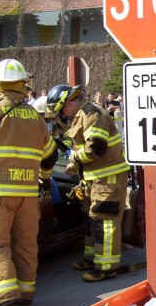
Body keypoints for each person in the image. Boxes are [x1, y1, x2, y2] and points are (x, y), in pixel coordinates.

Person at [46, 84, 130, 282]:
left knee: (104, 222)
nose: (61, 116)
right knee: (89, 218)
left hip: (108, 178)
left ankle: (106, 267)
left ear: (69, 103)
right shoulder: (81, 115)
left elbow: (96, 148)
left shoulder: (92, 114)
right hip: (94, 178)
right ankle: (92, 259)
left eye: (61, 111)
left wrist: (75, 159)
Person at [0, 59, 58, 306]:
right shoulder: (34, 115)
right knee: (25, 243)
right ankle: (25, 294)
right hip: (28, 193)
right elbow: (50, 155)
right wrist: (44, 179)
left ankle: (2, 302)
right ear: (23, 84)